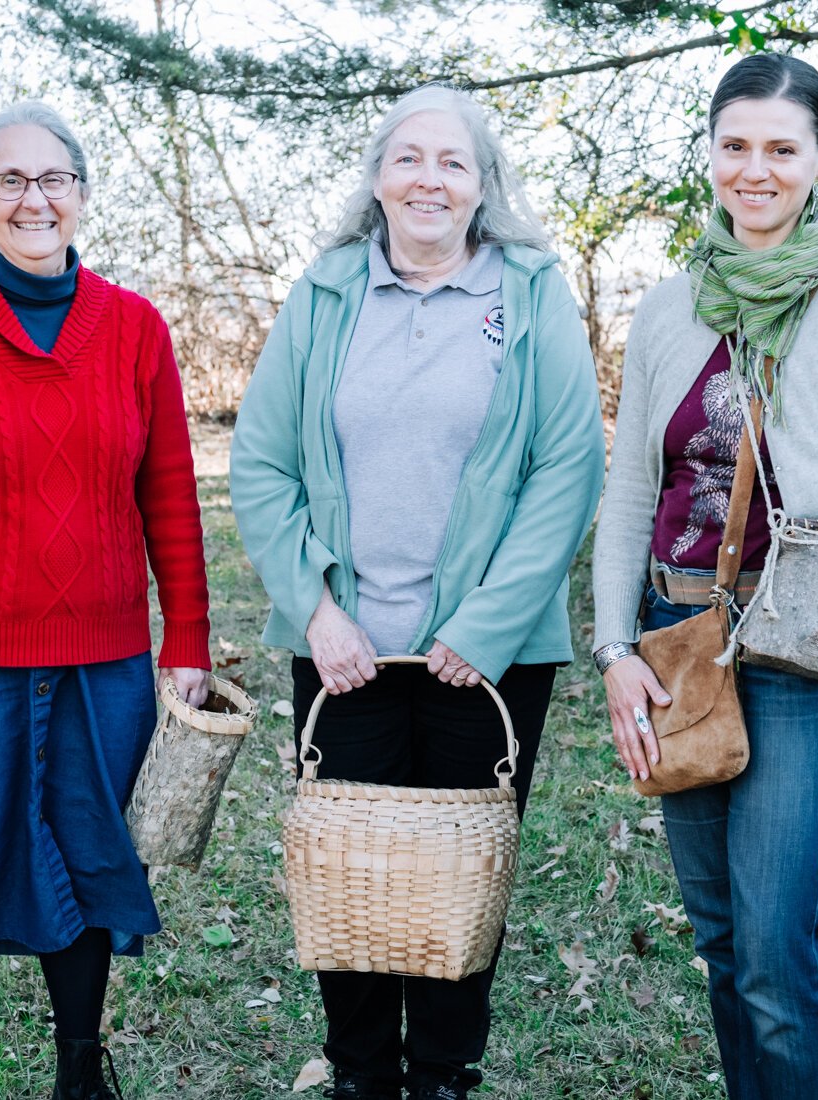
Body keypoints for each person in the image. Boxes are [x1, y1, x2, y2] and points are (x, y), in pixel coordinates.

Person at [230, 84, 605, 1100]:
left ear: (482, 186)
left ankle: (442, 1074)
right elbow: (260, 464)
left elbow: (566, 470)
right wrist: (314, 608)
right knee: (345, 869)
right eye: (409, 158)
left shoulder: (529, 293)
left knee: (456, 880)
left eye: (452, 161)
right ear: (378, 179)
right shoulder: (324, 292)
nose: (427, 178)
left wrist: (482, 625)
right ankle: (360, 1075)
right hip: (343, 648)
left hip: (485, 657)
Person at [591, 54, 818, 1098]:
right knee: (720, 941)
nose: (756, 169)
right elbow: (625, 494)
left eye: (781, 149)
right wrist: (614, 649)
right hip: (676, 640)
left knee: (778, 954)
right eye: (735, 145)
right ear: (708, 155)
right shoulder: (666, 309)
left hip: (798, 651)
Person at [0, 101, 211, 1100]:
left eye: (54, 177)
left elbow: (170, 498)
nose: (34, 198)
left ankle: (80, 1070)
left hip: (104, 663)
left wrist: (184, 636)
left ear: (82, 195)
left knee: (95, 858)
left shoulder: (136, 330)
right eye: (10, 180)